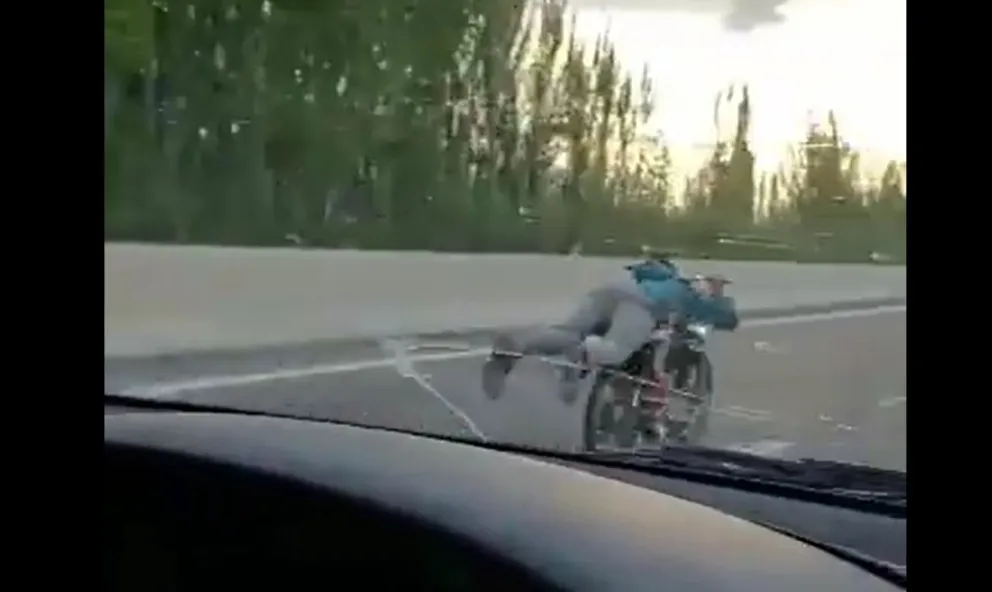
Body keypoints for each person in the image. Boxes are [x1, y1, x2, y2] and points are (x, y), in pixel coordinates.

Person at [481, 257, 739, 404]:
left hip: (609, 291)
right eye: (716, 286)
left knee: (567, 332)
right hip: (642, 305)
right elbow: (728, 318)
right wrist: (716, 299)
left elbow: (641, 269)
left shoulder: (665, 276)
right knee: (615, 351)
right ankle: (579, 355)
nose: (717, 290)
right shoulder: (692, 293)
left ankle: (516, 346)